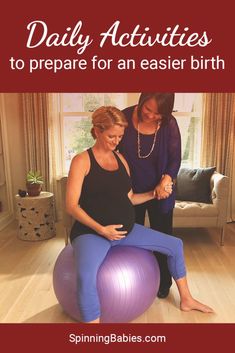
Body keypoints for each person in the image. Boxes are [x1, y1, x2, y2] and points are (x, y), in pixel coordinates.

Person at [66, 106, 213, 324]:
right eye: (111, 136)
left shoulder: (121, 161)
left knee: (175, 245)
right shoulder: (82, 161)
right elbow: (71, 206)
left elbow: (130, 198)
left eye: (120, 136)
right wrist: (101, 229)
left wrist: (155, 193)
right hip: (92, 233)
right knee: (86, 276)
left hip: (127, 230)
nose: (116, 141)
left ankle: (187, 299)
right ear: (96, 131)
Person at [119, 93, 181, 299]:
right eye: (148, 109)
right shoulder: (124, 118)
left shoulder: (169, 124)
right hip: (129, 193)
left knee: (162, 238)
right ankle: (134, 280)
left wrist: (167, 179)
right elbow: (110, 148)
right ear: (141, 100)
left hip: (160, 193)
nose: (152, 116)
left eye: (158, 113)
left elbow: (175, 158)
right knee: (131, 239)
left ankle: (163, 282)